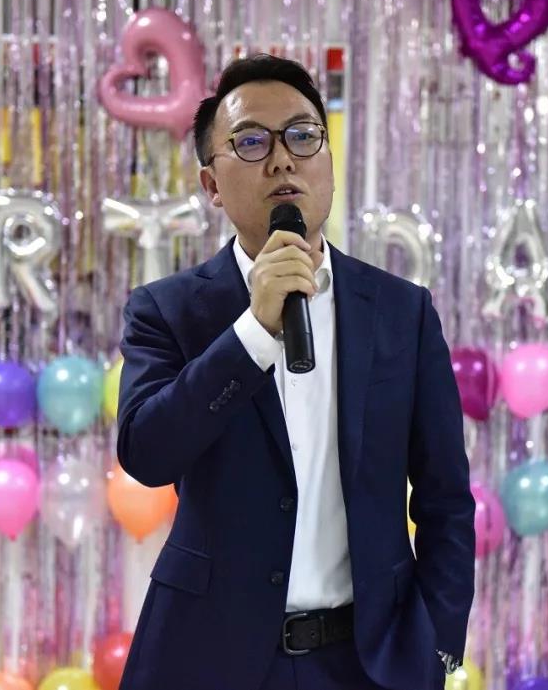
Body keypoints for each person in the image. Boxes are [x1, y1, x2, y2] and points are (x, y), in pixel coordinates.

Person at [116, 54, 475, 690]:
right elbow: (147, 454)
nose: (283, 159)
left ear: (329, 162)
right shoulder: (167, 311)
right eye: (251, 142)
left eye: (303, 136)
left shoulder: (402, 312)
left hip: (367, 663)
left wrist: (439, 648)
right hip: (207, 659)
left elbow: (445, 498)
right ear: (211, 184)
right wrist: (252, 332)